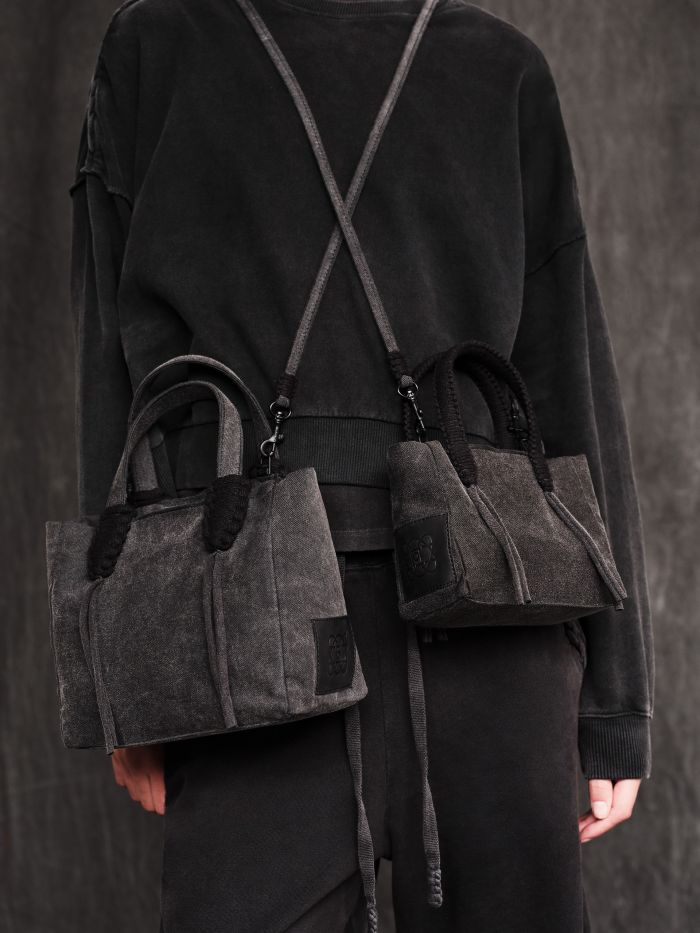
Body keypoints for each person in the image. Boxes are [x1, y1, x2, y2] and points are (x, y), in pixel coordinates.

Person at [70, 0, 654, 929]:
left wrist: (127, 682)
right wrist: (129, 684)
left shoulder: (157, 44)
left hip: (316, 622)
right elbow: (565, 382)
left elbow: (115, 381)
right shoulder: (157, 48)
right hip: (322, 631)